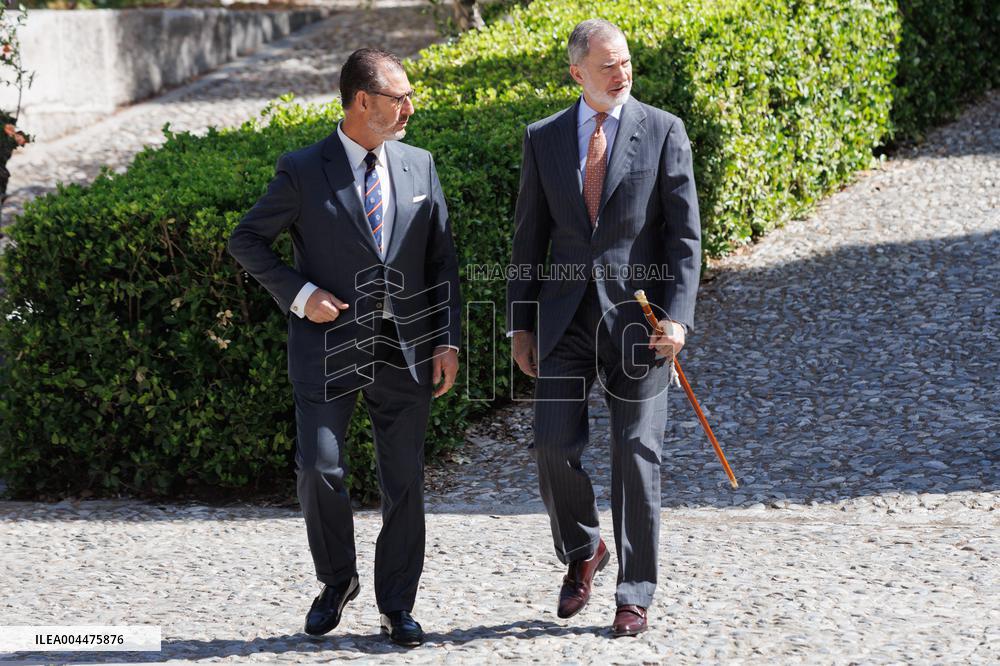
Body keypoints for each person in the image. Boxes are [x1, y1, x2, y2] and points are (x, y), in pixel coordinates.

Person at [228, 48, 461, 647]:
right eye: (398, 98)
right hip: (328, 348)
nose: (409, 108)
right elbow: (246, 239)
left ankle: (397, 605)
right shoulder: (303, 169)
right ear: (362, 101)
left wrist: (447, 339)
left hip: (405, 349)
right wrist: (301, 295)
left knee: (404, 480)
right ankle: (337, 581)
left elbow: (442, 261)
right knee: (319, 468)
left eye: (410, 97)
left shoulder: (419, 164)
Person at [506, 19, 701, 637]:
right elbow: (528, 238)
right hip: (564, 319)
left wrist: (678, 319)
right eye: (608, 65)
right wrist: (519, 326)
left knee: (636, 454)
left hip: (640, 323)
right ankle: (584, 547)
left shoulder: (663, 130)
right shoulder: (543, 138)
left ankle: (634, 593)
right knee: (550, 446)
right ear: (577, 72)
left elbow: (685, 237)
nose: (622, 74)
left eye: (626, 62)